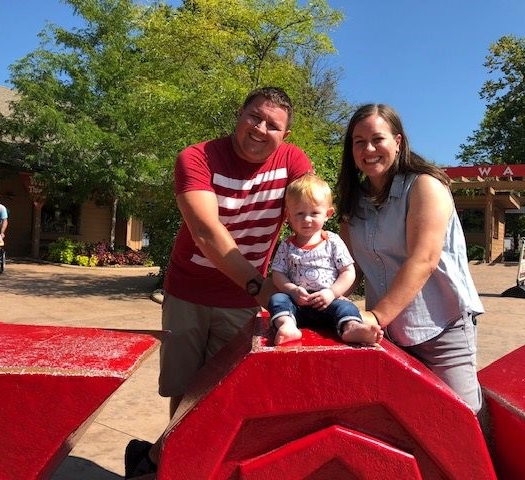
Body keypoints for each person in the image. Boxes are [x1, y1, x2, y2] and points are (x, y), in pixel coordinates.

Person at [124, 86, 313, 478]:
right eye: (254, 117)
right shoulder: (197, 157)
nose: (261, 129)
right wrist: (264, 291)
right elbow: (206, 232)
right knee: (184, 390)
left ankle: (155, 461)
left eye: (273, 125)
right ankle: (173, 466)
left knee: (222, 394)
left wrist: (318, 280)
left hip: (240, 302)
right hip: (189, 291)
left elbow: (310, 214)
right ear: (239, 114)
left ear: (285, 135)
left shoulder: (293, 162)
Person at [336, 104, 484, 414]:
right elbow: (349, 269)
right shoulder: (353, 201)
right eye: (359, 141)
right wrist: (316, 301)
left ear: (398, 142)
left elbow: (423, 259)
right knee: (410, 421)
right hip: (389, 334)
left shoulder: (425, 185)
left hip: (444, 326)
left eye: (378, 138)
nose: (369, 148)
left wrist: (375, 316)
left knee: (463, 420)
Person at [268, 173, 382, 346]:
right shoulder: (287, 245)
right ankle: (287, 325)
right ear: (288, 215)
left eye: (314, 213)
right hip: (297, 304)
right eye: (299, 213)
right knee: (277, 300)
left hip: (328, 302)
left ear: (327, 214)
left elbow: (348, 271)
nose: (307, 219)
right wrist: (291, 290)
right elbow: (277, 274)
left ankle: (351, 328)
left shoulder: (332, 241)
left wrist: (332, 292)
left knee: (346, 307)